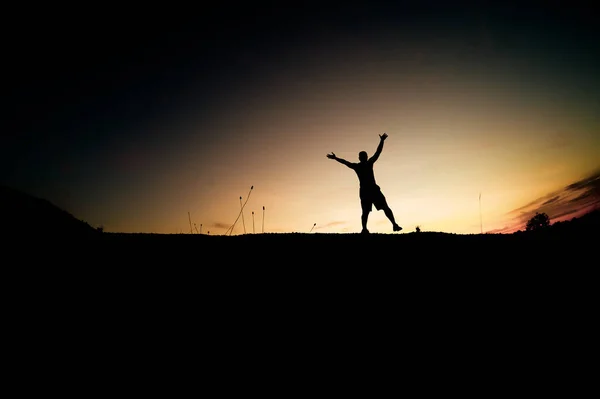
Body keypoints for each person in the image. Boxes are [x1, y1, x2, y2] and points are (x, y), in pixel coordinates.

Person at [327, 132, 402, 234]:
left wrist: (382, 141)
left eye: (364, 156)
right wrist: (336, 158)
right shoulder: (360, 165)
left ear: (363, 157)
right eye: (363, 156)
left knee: (380, 208)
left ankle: (393, 225)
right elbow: (376, 153)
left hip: (371, 190)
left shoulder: (364, 164)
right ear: (362, 157)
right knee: (370, 211)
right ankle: (368, 228)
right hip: (367, 191)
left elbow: (377, 152)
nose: (364, 157)